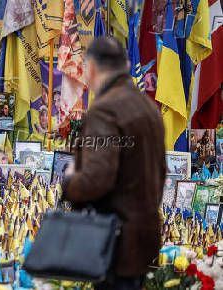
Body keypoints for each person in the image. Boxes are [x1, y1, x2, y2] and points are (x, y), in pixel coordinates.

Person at [62, 37, 166, 290]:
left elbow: (97, 179)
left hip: (113, 245)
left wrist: (70, 180)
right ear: (127, 65)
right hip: (143, 242)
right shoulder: (148, 107)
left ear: (92, 69)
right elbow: (160, 172)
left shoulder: (105, 110)